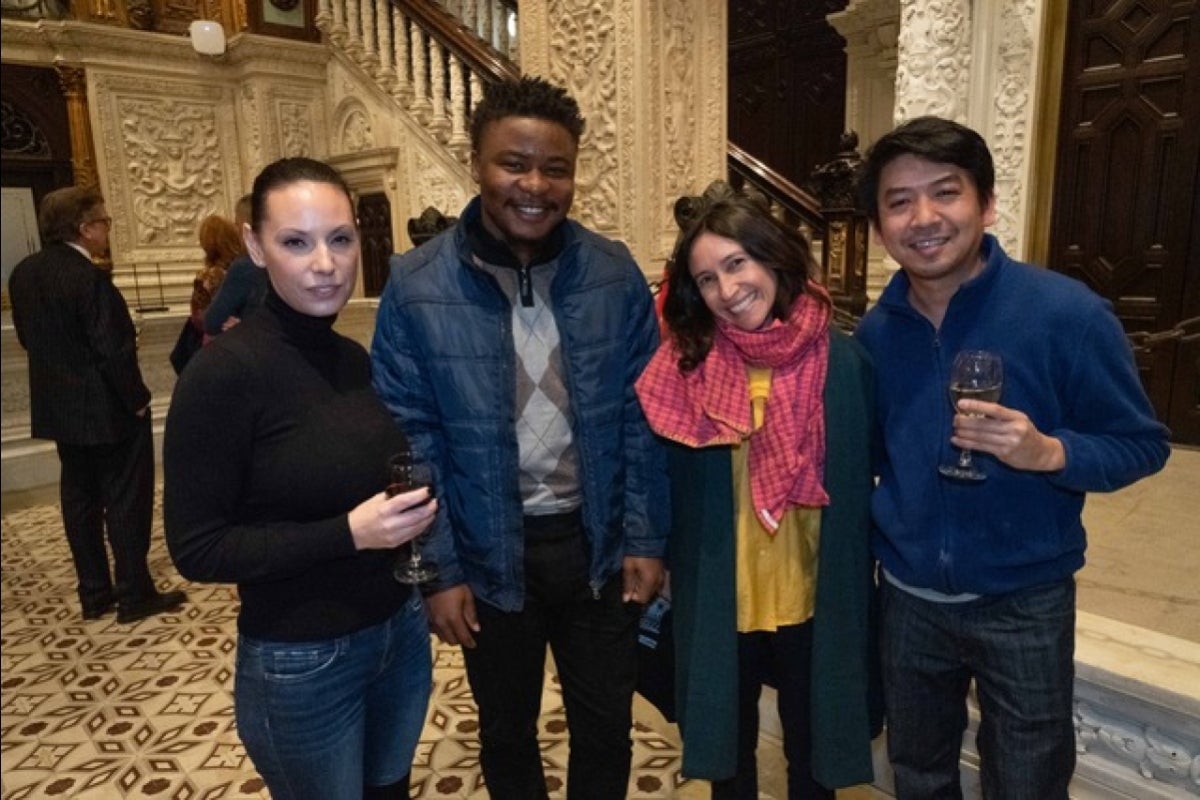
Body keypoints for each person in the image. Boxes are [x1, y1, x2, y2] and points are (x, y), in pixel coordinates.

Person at [854, 116, 1171, 799]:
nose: (925, 217)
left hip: (1025, 599)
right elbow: (873, 458)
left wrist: (1051, 451)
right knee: (918, 771)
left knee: (1027, 779)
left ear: (987, 204)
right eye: (899, 202)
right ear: (880, 229)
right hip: (909, 599)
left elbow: (1142, 444)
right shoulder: (875, 335)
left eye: (946, 192)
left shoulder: (1066, 314)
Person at [371, 76, 669, 798]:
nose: (535, 185)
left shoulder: (613, 271)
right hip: (487, 553)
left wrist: (646, 538)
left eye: (556, 168)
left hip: (596, 549)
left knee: (606, 728)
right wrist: (438, 573)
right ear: (475, 161)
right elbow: (410, 439)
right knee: (507, 732)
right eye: (514, 163)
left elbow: (643, 419)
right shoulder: (416, 284)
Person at [163, 157, 437, 800]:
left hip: (397, 634)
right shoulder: (224, 376)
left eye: (340, 239)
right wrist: (348, 534)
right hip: (302, 659)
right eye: (296, 242)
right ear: (255, 247)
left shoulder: (348, 357)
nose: (325, 263)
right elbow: (197, 549)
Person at [635, 194, 879, 799]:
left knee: (811, 747)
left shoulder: (843, 361)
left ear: (774, 258)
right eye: (707, 278)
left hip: (810, 586)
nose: (728, 288)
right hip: (724, 587)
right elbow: (654, 470)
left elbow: (872, 466)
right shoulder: (683, 365)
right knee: (728, 754)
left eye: (738, 263)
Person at [8, 186, 187, 624]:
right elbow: (112, 349)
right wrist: (138, 400)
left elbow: (28, 339)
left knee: (79, 499)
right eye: (104, 222)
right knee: (127, 499)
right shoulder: (89, 278)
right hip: (109, 410)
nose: (107, 229)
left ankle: (94, 594)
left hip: (60, 409)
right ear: (85, 228)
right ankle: (133, 593)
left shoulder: (24, 273)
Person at [172, 214, 246, 374]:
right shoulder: (245, 269)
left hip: (215, 343)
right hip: (243, 340)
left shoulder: (207, 277)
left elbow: (198, 317)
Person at [202, 193, 269, 336]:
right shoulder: (290, 258)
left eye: (236, 224)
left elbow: (212, 322)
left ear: (244, 229)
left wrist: (244, 326)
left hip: (257, 351)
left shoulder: (245, 267)